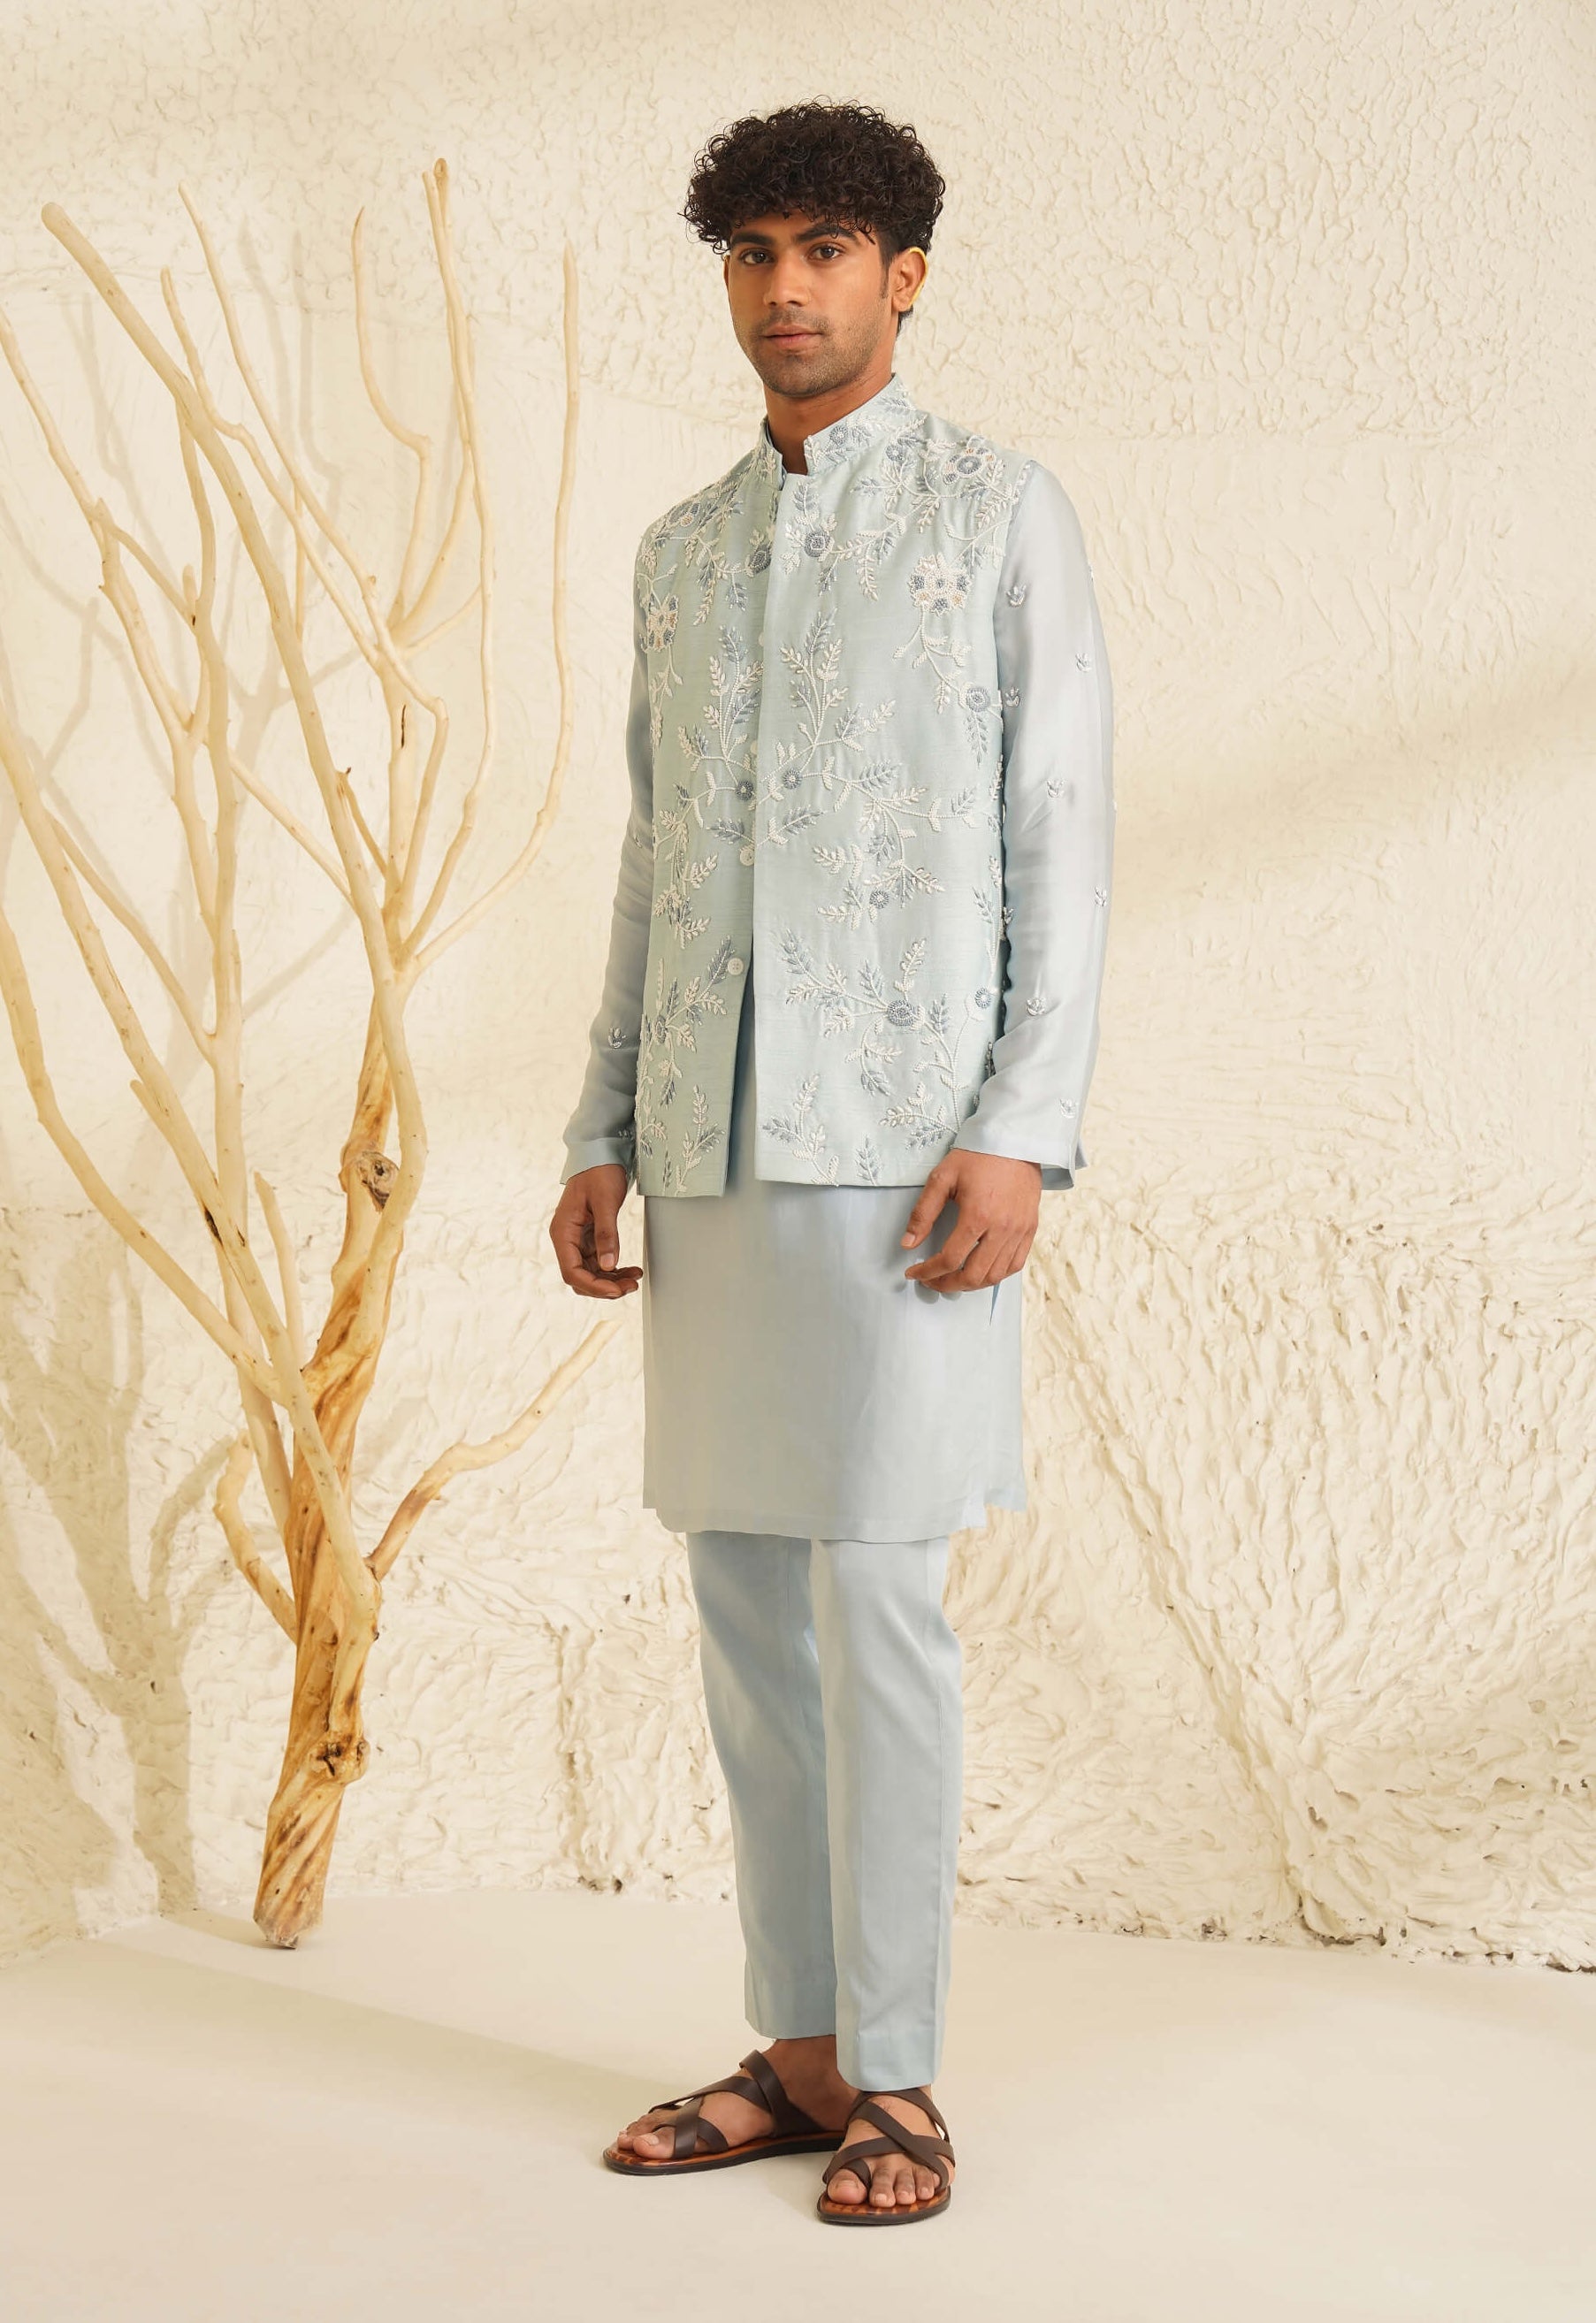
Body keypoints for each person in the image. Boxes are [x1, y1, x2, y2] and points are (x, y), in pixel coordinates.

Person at [549, 98, 1113, 2227]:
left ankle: (902, 2076)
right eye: (754, 252)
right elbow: (655, 855)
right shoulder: (683, 552)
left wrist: (1022, 1130)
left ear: (907, 274)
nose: (786, 290)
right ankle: (795, 2055)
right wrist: (603, 1123)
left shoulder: (997, 512)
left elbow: (1061, 831)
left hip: (909, 1163)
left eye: (828, 249)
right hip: (707, 1147)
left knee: (877, 1601)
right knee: (741, 1607)